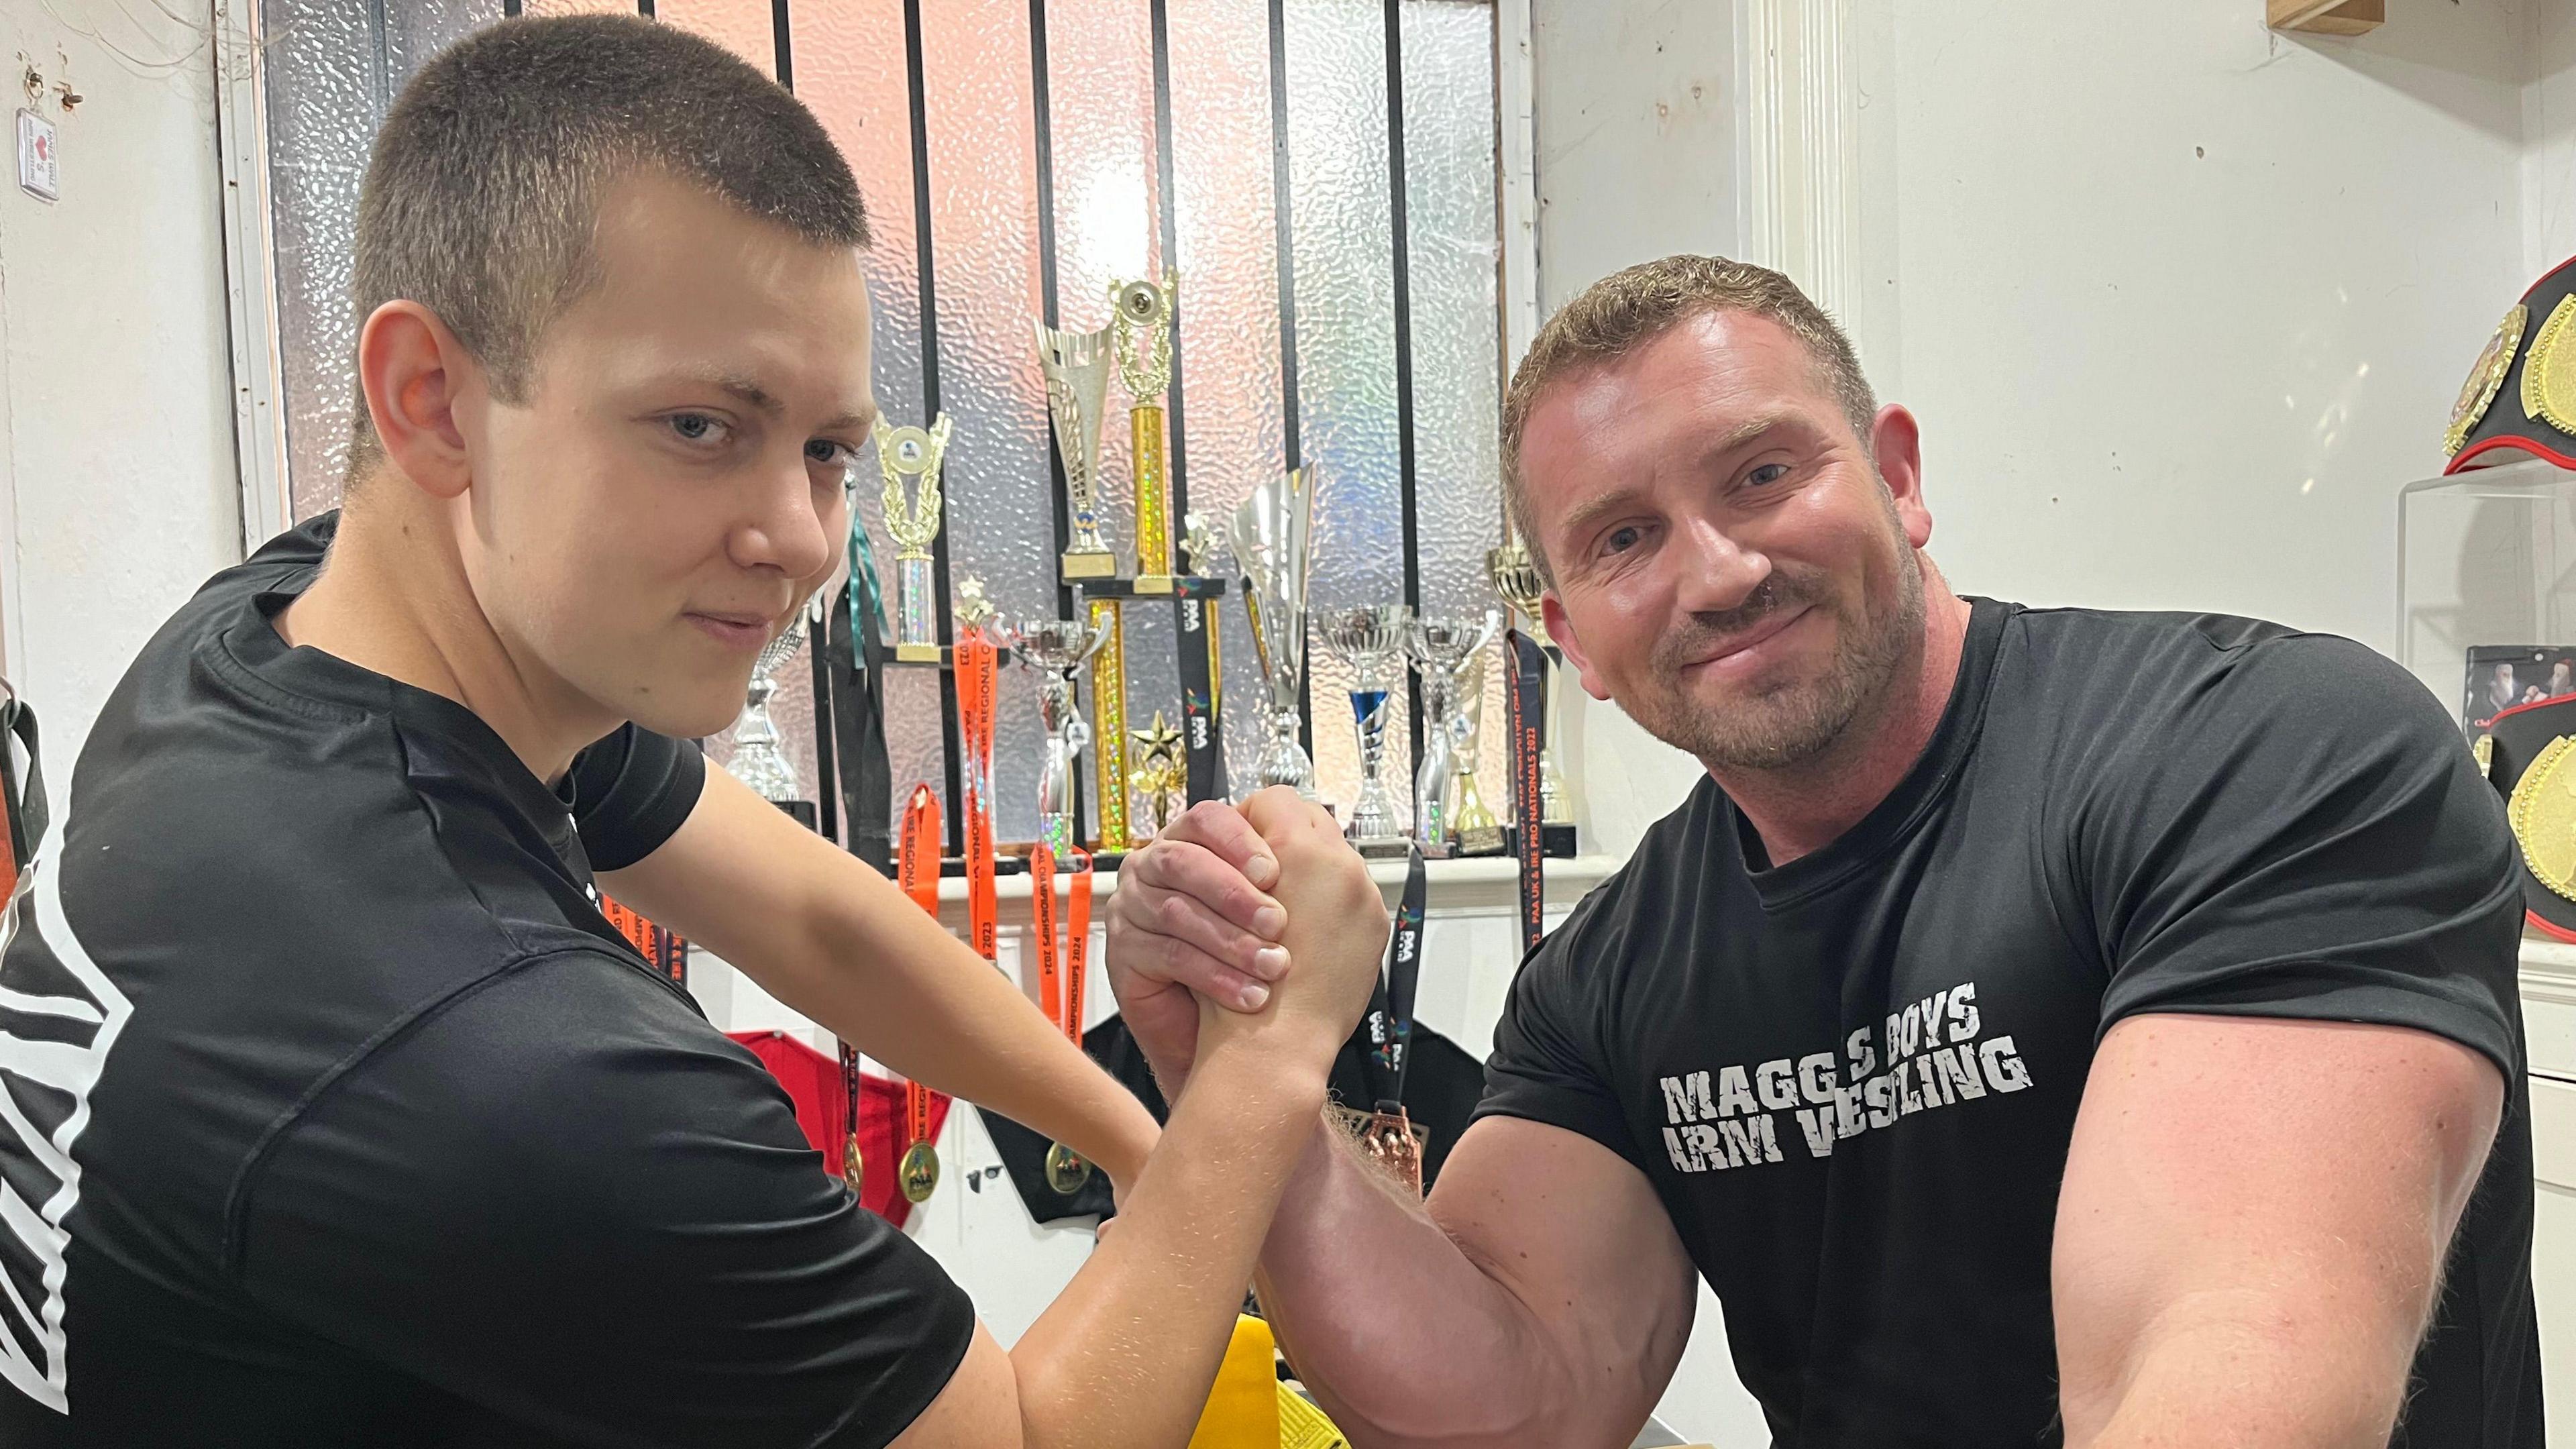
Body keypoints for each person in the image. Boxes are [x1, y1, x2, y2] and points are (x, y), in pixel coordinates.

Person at [0, 16, 1384, 1448]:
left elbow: (815, 922)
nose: (799, 539)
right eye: (701, 427)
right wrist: (1272, 1067)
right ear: (434, 404)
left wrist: (1140, 1151)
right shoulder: (506, 1065)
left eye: (829, 450)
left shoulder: (269, 644)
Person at [1109, 255, 2541, 1447]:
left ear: (1899, 477)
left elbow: (2226, 1369)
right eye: (1622, 539)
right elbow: (1512, 1401)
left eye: (1763, 472)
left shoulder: (2264, 757)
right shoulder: (1610, 982)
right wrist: (1246, 1087)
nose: (1720, 571)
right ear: (1573, 644)